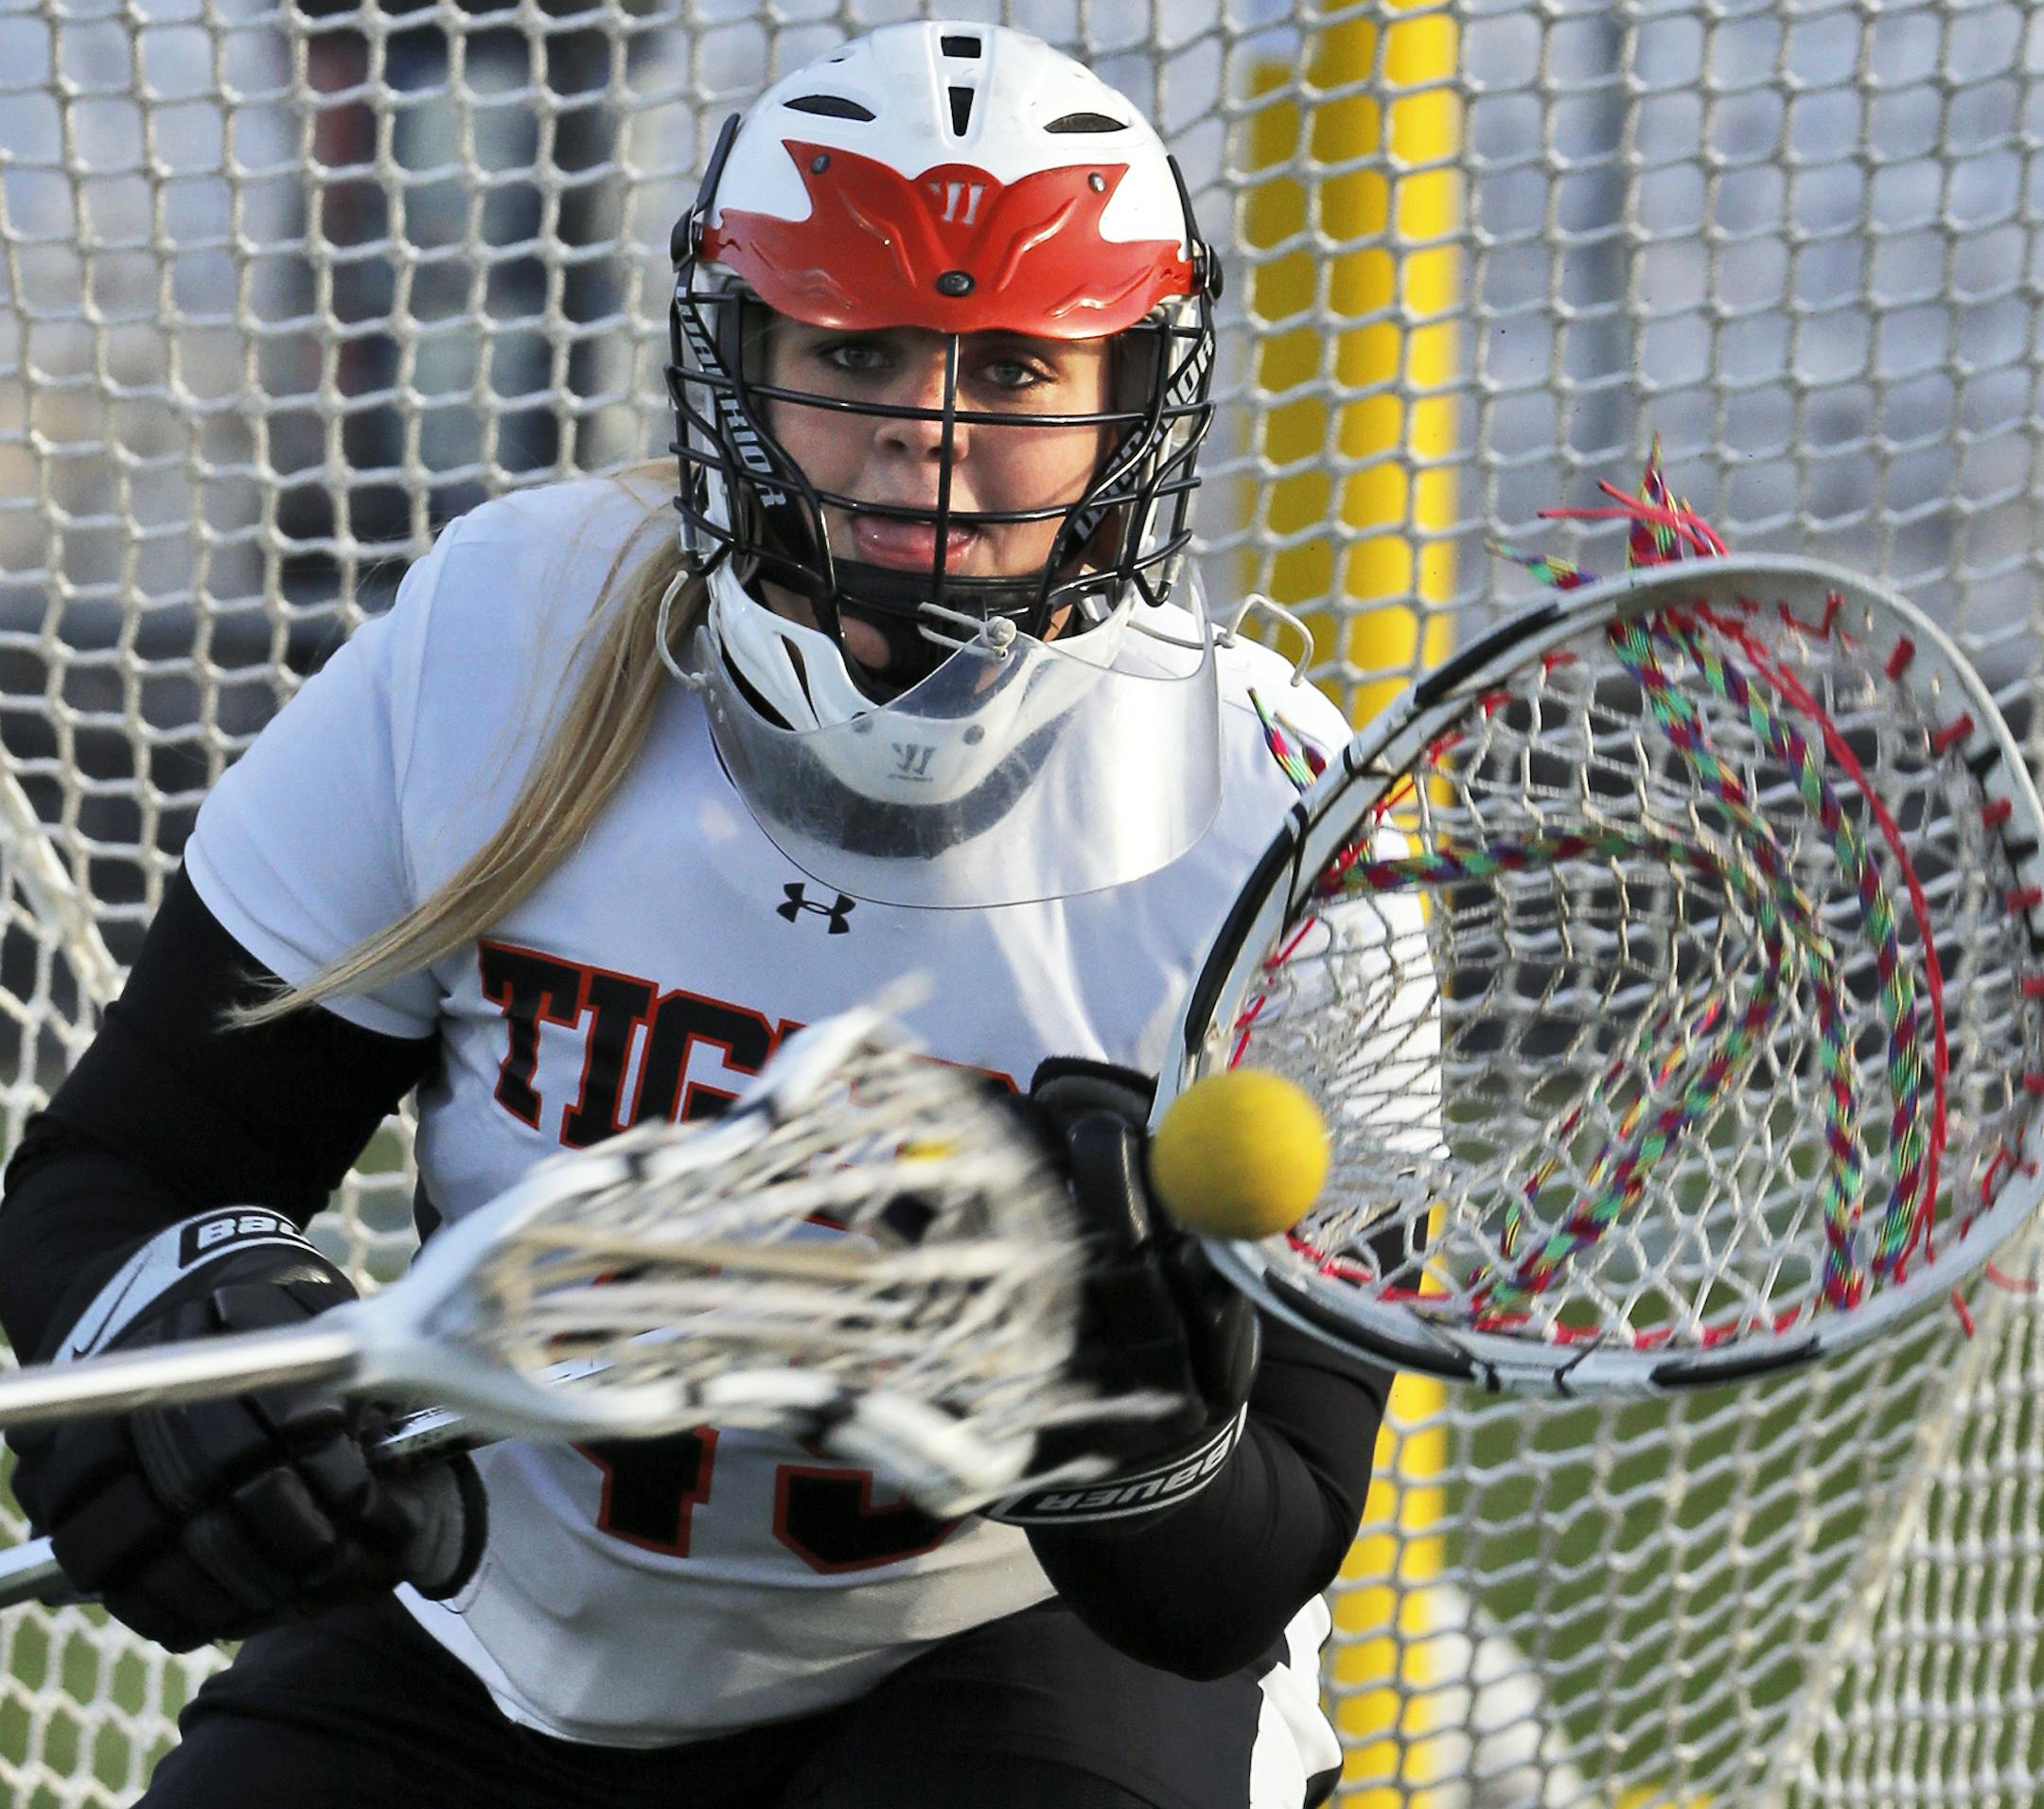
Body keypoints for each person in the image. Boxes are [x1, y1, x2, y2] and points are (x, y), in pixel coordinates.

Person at [0, 22, 1391, 1808]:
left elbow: (1246, 1570)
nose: (932, 446)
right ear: (736, 359)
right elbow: (124, 1170)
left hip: (1002, 1645)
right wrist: (198, 1348)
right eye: (860, 351)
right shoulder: (510, 640)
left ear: (1135, 395)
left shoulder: (1278, 818)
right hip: (492, 1618)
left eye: (1021, 370)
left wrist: (1120, 1419)